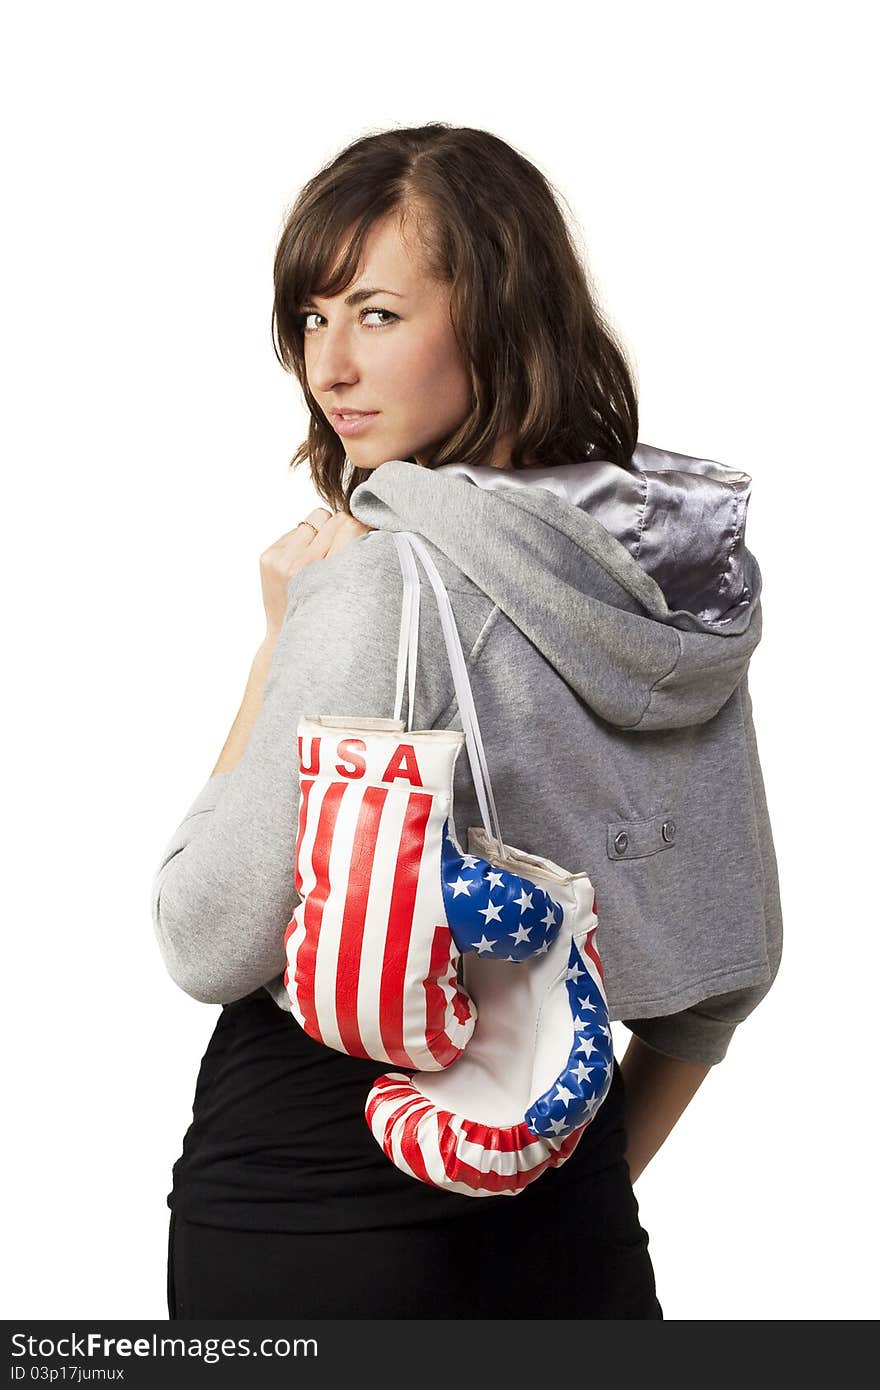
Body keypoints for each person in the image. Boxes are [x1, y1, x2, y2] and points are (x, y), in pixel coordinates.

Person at [151, 123, 782, 1319]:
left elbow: (201, 939)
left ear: (496, 318)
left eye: (377, 314)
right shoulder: (670, 586)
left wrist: (275, 644)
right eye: (311, 317)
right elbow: (721, 975)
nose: (327, 365)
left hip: (310, 1215)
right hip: (575, 1232)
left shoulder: (379, 588)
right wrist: (552, 1186)